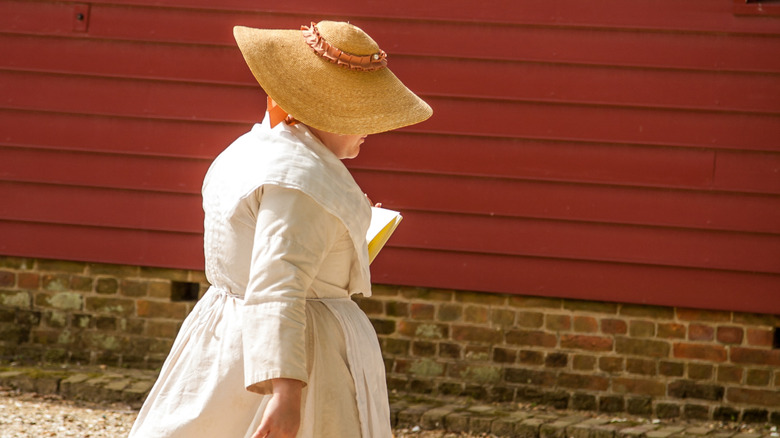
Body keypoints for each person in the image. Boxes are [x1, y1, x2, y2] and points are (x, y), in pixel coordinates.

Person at [128, 20, 432, 438]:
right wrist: (286, 394)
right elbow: (279, 283)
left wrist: (343, 229)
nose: (370, 128)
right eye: (362, 114)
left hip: (231, 337)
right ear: (327, 109)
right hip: (298, 352)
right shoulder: (301, 181)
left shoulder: (256, 147)